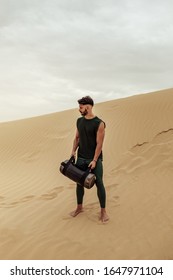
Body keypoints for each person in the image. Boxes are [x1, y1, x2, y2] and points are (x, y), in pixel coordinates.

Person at [70, 96, 109, 222]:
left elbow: (99, 144)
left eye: (81, 107)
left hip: (94, 160)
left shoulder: (99, 123)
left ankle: (103, 212)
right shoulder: (79, 121)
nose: (79, 110)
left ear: (88, 107)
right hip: (81, 158)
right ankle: (79, 207)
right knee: (79, 183)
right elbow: (77, 138)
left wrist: (94, 160)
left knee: (99, 183)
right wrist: (72, 152)